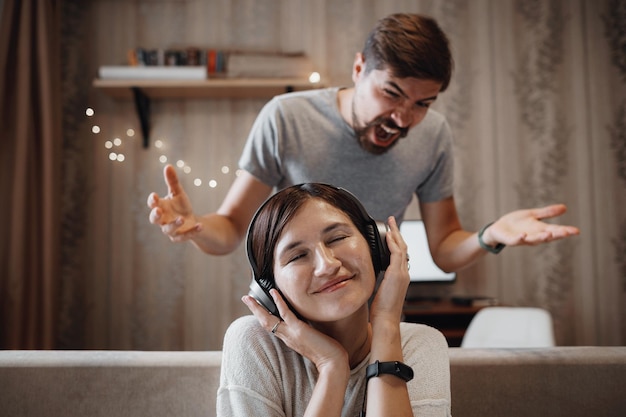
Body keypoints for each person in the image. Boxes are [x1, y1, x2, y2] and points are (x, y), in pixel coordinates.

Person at [147, 13, 579, 273]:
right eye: (391, 93)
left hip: (375, 322)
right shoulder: (287, 116)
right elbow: (232, 229)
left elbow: (445, 250)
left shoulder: (434, 135)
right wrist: (196, 228)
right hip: (288, 312)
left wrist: (491, 235)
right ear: (359, 68)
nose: (403, 118)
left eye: (422, 103)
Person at [217, 183, 451, 416]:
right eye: (298, 255)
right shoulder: (255, 342)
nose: (327, 265)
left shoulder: (420, 343)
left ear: (376, 247)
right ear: (269, 288)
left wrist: (387, 324)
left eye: (337, 238)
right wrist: (332, 366)